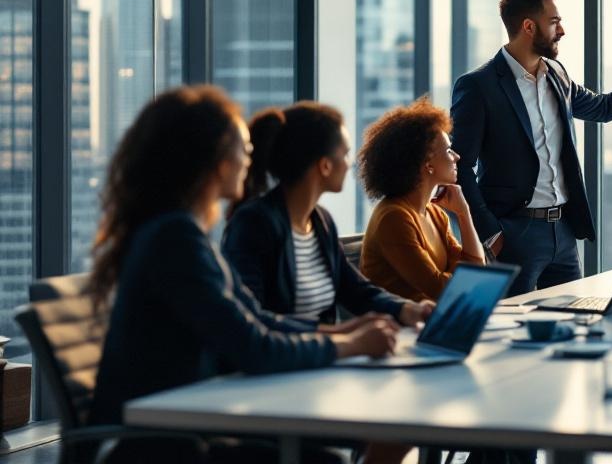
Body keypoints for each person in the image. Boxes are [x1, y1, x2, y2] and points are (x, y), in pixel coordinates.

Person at [88, 87, 398, 463]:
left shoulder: (179, 233)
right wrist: (350, 345)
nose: (251, 157)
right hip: (153, 443)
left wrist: (340, 332)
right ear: (217, 160)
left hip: (187, 422)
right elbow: (253, 346)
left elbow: (256, 318)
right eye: (242, 148)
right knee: (327, 459)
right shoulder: (176, 239)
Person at [451, 0, 612, 295]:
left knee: (573, 321)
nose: (563, 30)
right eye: (554, 22)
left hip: (563, 232)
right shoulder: (479, 86)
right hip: (515, 233)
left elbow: (605, 107)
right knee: (510, 327)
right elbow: (459, 167)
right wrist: (492, 234)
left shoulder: (557, 75)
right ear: (529, 27)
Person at [222, 102, 432, 329]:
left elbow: (355, 289)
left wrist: (407, 309)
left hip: (327, 360)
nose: (350, 163)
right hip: (287, 363)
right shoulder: (253, 224)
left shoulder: (321, 222)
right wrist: (341, 335)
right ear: (325, 166)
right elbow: (252, 320)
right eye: (345, 153)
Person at [358, 97, 485, 301]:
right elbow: (441, 289)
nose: (456, 157)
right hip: (400, 326)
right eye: (448, 150)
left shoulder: (434, 212)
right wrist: (465, 279)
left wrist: (464, 213)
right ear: (428, 163)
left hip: (434, 318)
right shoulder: (394, 218)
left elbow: (476, 271)